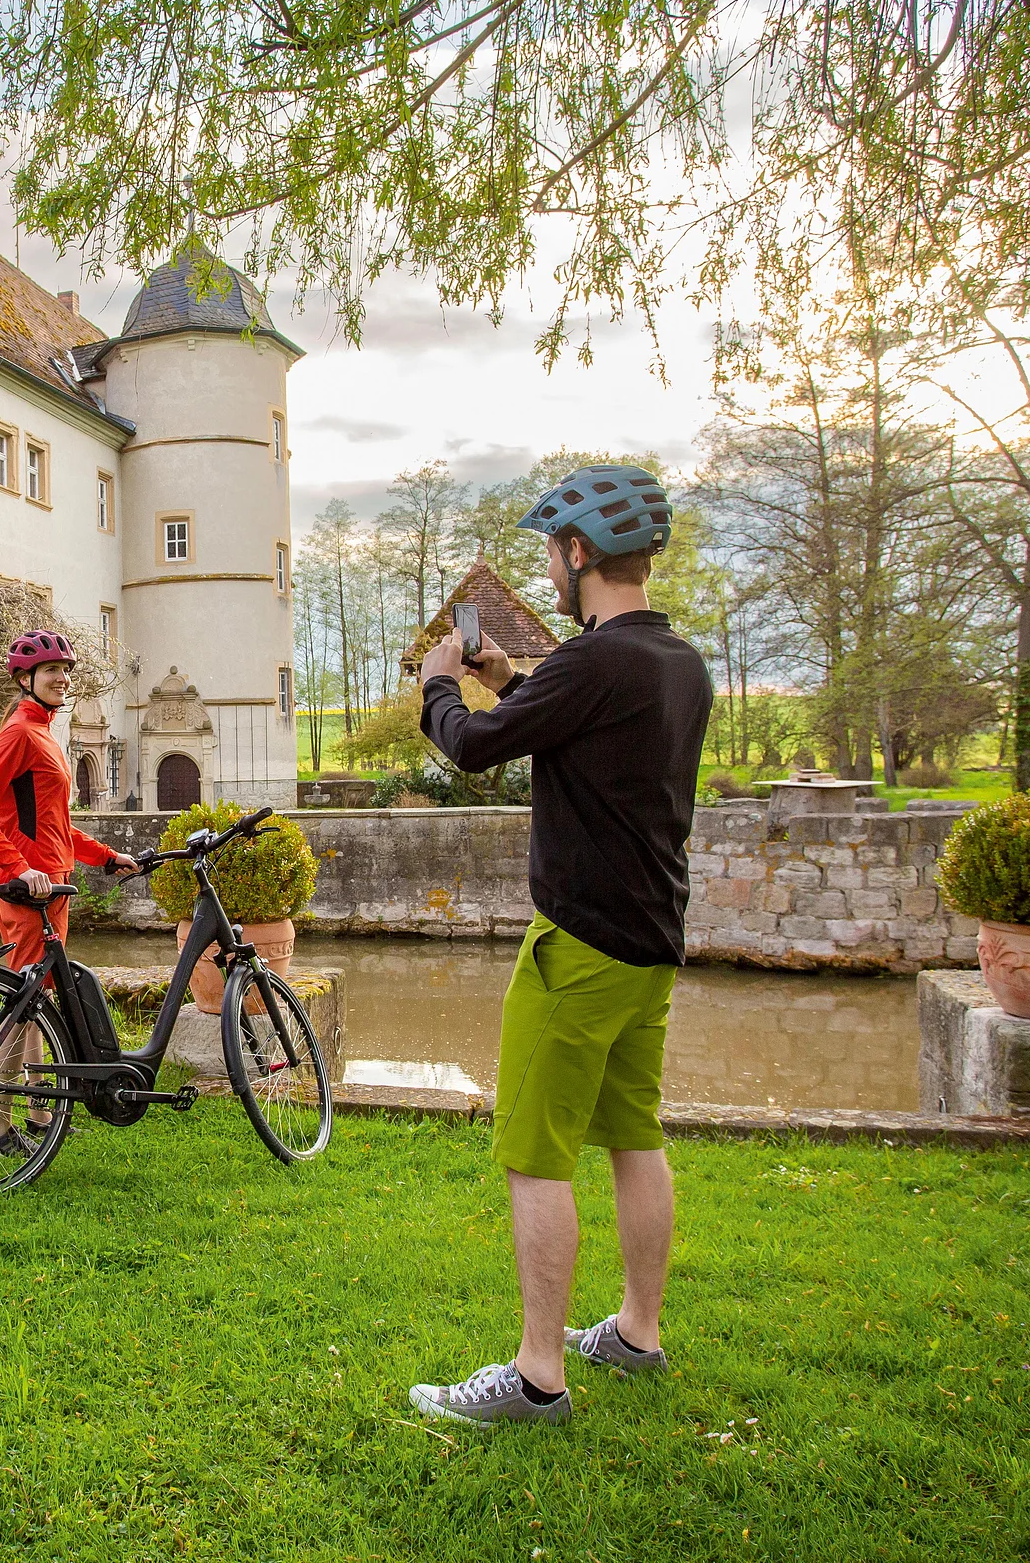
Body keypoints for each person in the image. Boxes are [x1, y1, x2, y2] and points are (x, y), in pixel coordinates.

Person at [405, 465, 712, 1428]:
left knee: (536, 1155)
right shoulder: (675, 663)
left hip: (576, 947)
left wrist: (440, 689)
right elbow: (573, 717)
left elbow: (474, 748)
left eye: (552, 550)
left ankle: (538, 1376)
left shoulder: (594, 663)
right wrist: (506, 676)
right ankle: (637, 1331)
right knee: (633, 1136)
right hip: (650, 941)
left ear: (580, 553)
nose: (549, 566)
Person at [0, 630, 140, 1156]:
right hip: (27, 893)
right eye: (50, 671)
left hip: (54, 890)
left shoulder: (45, 733)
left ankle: (40, 1114)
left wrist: (105, 855)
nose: (62, 678)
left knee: (38, 1002)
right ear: (25, 679)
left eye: (66, 670)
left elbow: (57, 825)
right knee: (22, 1005)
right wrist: (19, 866)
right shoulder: (19, 733)